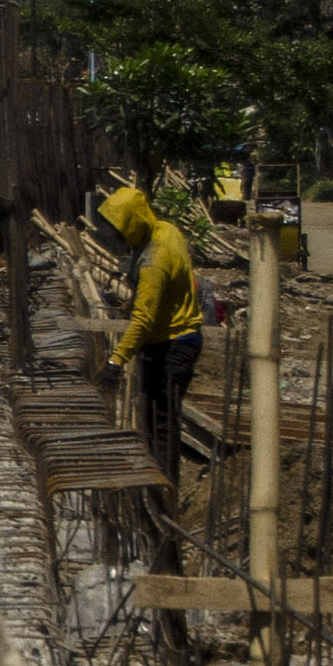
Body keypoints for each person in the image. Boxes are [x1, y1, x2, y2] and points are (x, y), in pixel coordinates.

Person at [98, 183, 206, 480]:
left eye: (121, 230)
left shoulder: (154, 263)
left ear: (133, 225)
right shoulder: (166, 230)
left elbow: (143, 320)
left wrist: (115, 361)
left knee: (161, 426)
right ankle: (160, 486)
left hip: (171, 345)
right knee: (160, 423)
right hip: (179, 337)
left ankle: (162, 491)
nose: (118, 237)